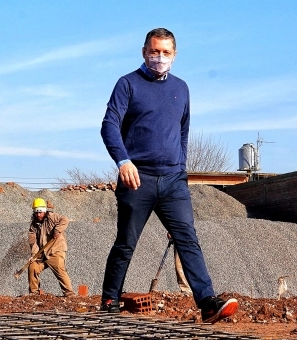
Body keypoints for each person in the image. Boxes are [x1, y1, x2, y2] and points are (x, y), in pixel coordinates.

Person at [99, 28, 238, 323]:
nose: (159, 57)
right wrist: (123, 161)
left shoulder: (181, 88)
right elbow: (109, 125)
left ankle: (208, 303)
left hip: (173, 179)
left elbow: (182, 131)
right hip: (137, 178)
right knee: (126, 242)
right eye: (154, 51)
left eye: (165, 53)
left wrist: (180, 168)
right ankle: (110, 300)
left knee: (188, 237)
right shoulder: (128, 85)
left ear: (175, 55)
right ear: (144, 52)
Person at [27, 198, 74, 296]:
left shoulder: (52, 217)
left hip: (55, 250)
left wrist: (57, 230)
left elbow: (65, 219)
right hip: (42, 253)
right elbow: (33, 242)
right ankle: (34, 293)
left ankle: (69, 293)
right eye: (36, 212)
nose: (38, 215)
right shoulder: (33, 225)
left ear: (44, 211)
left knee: (59, 268)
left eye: (40, 212)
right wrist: (34, 255)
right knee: (33, 266)